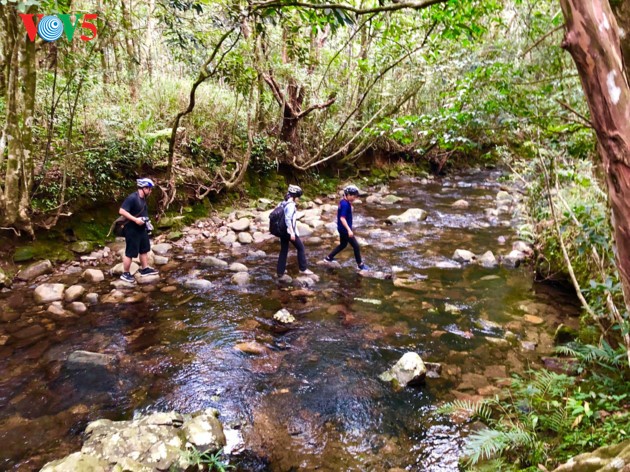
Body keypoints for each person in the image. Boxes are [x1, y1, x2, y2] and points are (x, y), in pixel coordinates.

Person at [118, 178, 159, 283]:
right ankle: (125, 273)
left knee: (144, 249)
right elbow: (121, 211)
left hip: (141, 229)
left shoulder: (143, 198)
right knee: (130, 252)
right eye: (149, 189)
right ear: (144, 188)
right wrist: (135, 220)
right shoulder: (132, 198)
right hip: (131, 229)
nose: (150, 191)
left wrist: (147, 223)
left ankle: (145, 269)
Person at [324, 185, 368, 270]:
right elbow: (342, 218)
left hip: (341, 228)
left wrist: (350, 205)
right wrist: (349, 230)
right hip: (344, 230)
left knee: (343, 245)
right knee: (356, 246)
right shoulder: (345, 204)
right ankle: (360, 265)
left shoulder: (343, 201)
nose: (354, 198)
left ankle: (328, 258)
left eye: (355, 196)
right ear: (347, 194)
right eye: (353, 196)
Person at [277, 185, 314, 278]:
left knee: (283, 250)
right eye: (298, 197)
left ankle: (280, 272)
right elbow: (288, 219)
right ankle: (303, 269)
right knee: (301, 248)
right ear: (294, 196)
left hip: (281, 230)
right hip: (288, 231)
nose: (298, 199)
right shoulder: (291, 205)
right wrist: (292, 232)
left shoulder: (282, 203)